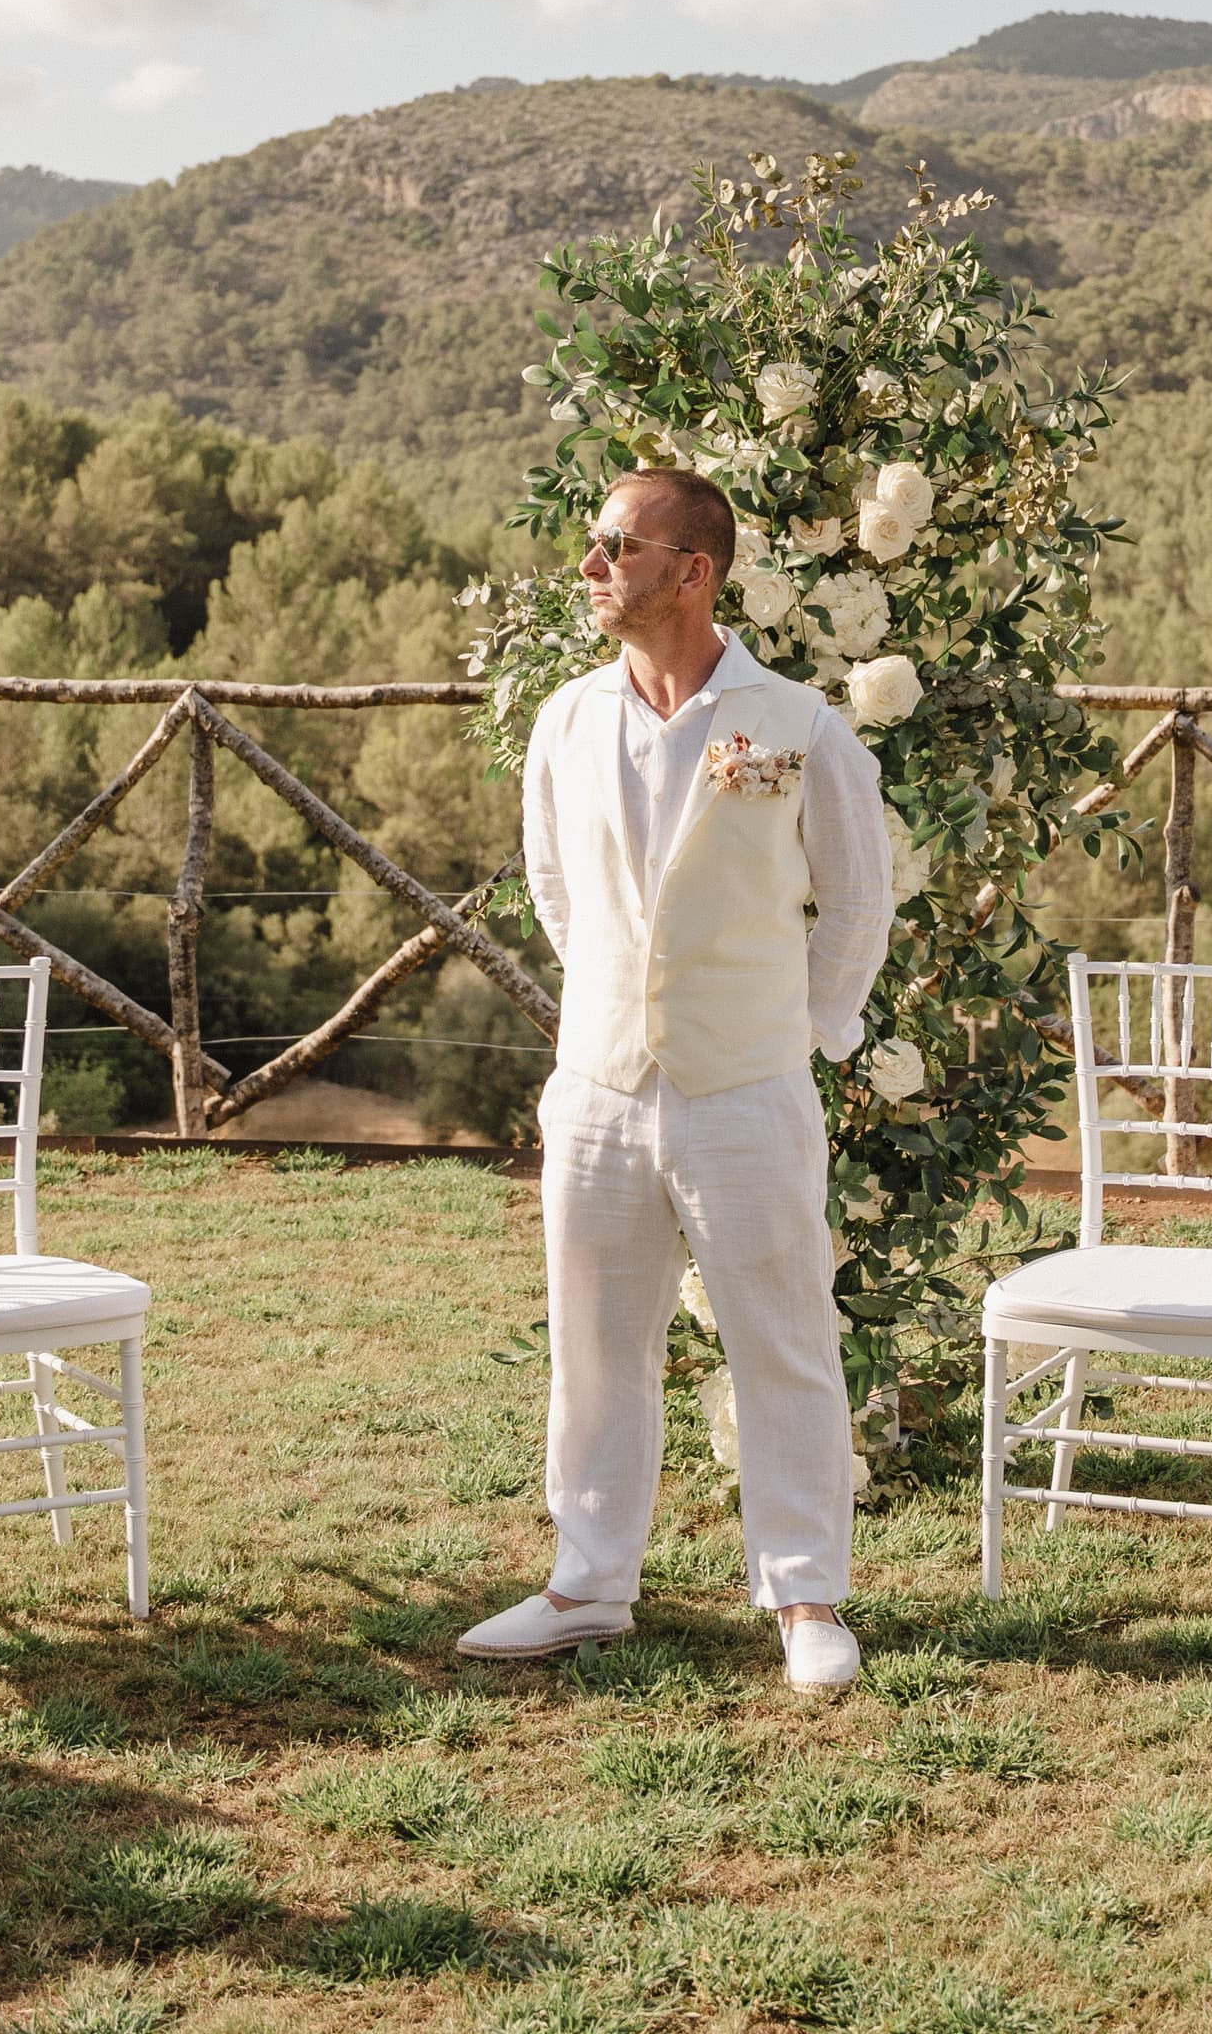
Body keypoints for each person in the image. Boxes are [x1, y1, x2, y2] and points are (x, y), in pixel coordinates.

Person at [453, 467, 896, 1695]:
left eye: (616, 544)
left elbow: (859, 902)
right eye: (594, 543)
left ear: (693, 570)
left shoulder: (797, 724)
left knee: (783, 1333)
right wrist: (616, 1004)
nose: (590, 563)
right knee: (594, 1341)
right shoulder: (566, 719)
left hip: (747, 1083)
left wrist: (799, 1030)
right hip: (598, 1083)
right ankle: (586, 1582)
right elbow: (555, 884)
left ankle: (806, 1594)